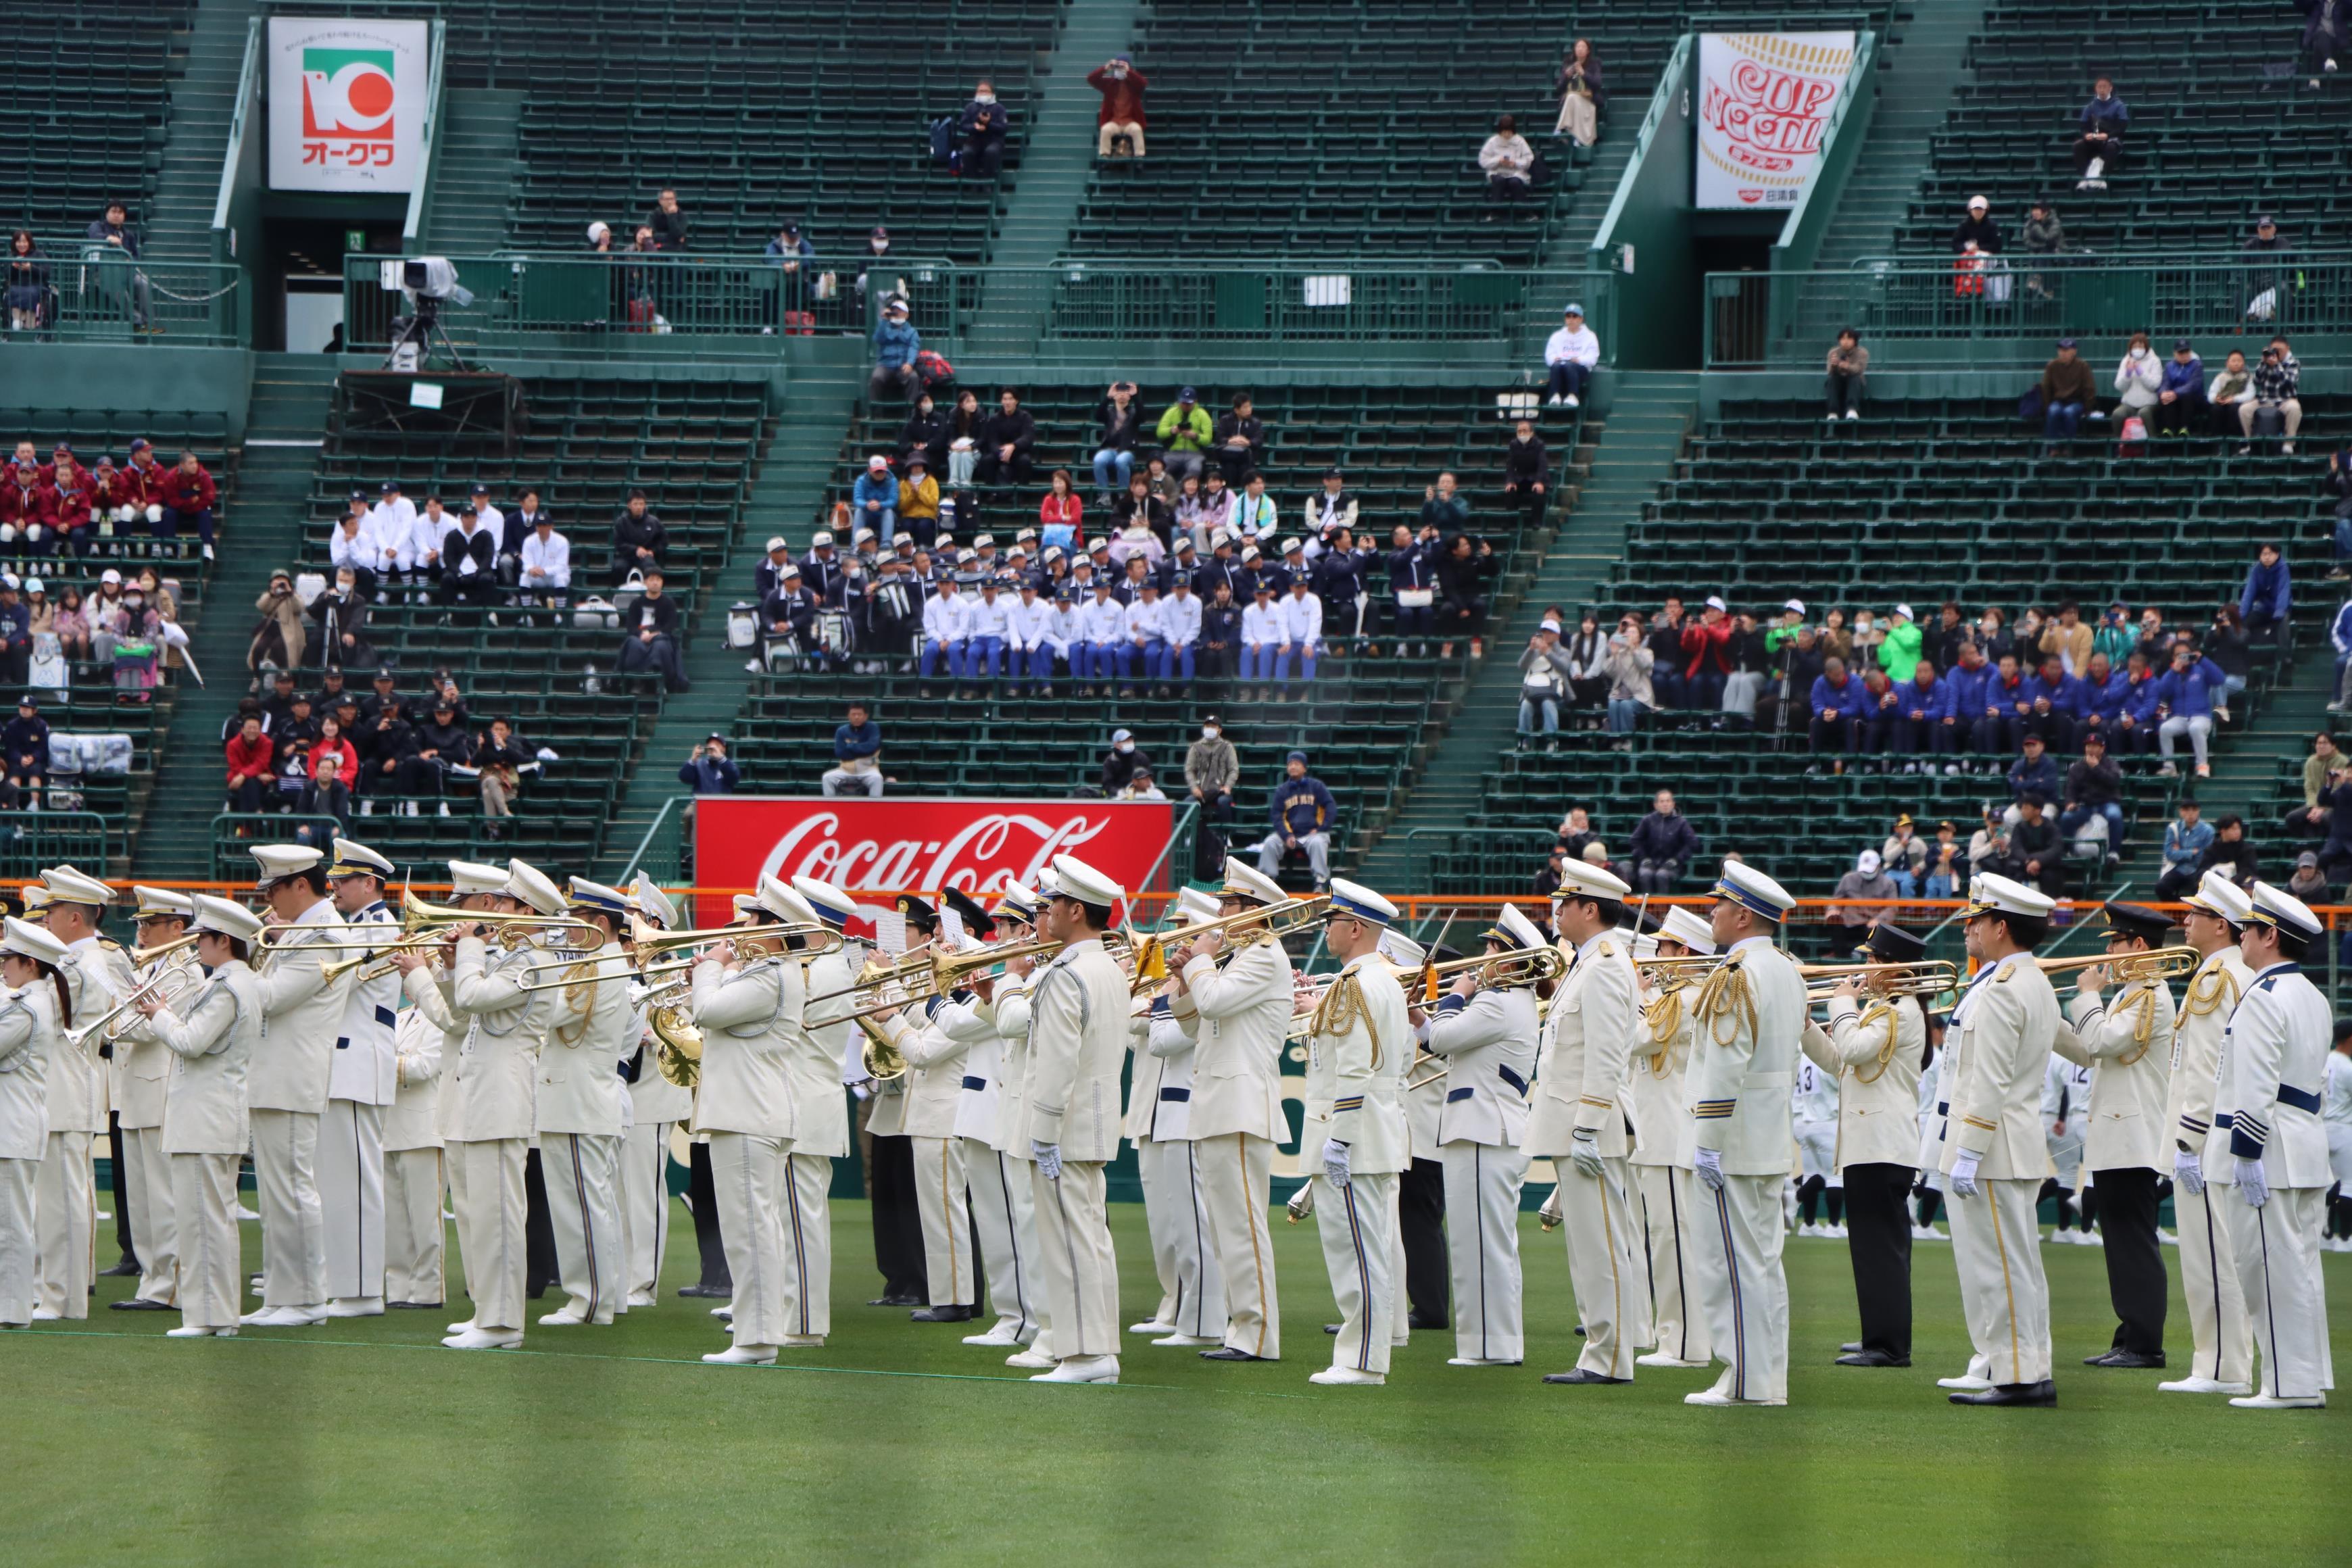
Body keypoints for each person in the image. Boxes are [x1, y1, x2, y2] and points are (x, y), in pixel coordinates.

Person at [1933, 873, 2061, 1407]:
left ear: (2001, 926)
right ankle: (2026, 1366)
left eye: (1979, 920)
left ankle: (2016, 1378)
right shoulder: (2023, 980)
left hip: (1995, 1146)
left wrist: (1968, 1149)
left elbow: (1990, 1078)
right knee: (2017, 1265)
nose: (1972, 927)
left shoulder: (2008, 988)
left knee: (2002, 1268)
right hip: (2010, 1142)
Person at [2202, 882, 2332, 1408]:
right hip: (2304, 1145)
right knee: (2300, 1270)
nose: (2242, 940)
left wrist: (2246, 1155)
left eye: (2249, 930)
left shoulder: (2264, 996)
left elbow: (2255, 1086)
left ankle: (2287, 1386)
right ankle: (2308, 1376)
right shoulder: (2314, 995)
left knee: (2268, 1272)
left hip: (2270, 1150)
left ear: (2269, 936)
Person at [1681, 860, 1805, 1406]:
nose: (1713, 911)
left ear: (1742, 915)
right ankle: (1766, 1377)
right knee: (1762, 1264)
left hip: (1732, 1141)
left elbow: (1726, 1064)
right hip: (1769, 1138)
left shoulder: (1736, 974)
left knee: (1727, 1263)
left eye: (1720, 904)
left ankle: (1746, 1380)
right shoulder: (1787, 969)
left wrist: (1707, 1143)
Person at [1167, 861, 1296, 1363]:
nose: (1219, 913)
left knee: (1242, 1228)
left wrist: (1199, 963)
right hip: (1221, 1103)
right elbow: (1196, 1027)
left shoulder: (1265, 956)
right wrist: (1184, 978)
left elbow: (1216, 1004)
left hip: (1241, 1104)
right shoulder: (1240, 959)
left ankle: (1258, 1334)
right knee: (1227, 1230)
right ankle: (1240, 1326)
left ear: (1255, 912)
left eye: (1231, 904)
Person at [1521, 862, 1644, 1386]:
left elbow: (1607, 1054)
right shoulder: (1584, 963)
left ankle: (1610, 1358)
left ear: (1589, 909)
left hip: (1586, 1125)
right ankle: (1600, 1350)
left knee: (1602, 1247)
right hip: (1572, 1123)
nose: (1557, 910)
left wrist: (1589, 1125)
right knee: (1589, 1248)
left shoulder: (1608, 965)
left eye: (1564, 903)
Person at [1290, 877, 1411, 1386]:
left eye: (1333, 922)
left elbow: (1356, 1068)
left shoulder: (1357, 983)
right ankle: (1363, 1356)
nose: (1327, 931)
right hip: (1375, 1132)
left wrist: (1339, 1138)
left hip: (1355, 1137)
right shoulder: (1381, 980)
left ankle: (1362, 1362)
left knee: (1358, 1255)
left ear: (1355, 927)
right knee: (1368, 1252)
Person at [1017, 856, 1133, 1383]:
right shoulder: (1107, 967)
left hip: (1065, 1127)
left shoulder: (1066, 973)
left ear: (1076, 910)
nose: (1047, 912)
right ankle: (1097, 1351)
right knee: (1089, 1240)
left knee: (1069, 1242)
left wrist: (1041, 1132)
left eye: (1054, 903)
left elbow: (1057, 1063)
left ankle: (1085, 1356)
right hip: (1095, 1123)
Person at [681, 878, 806, 1363]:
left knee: (750, 1231)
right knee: (754, 1230)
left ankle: (755, 1340)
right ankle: (756, 1334)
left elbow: (707, 1011)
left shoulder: (772, 974)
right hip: (753, 1111)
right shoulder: (768, 971)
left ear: (775, 929)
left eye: (753, 920)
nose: (741, 929)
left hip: (750, 1113)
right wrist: (711, 970)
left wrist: (711, 965)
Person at [2056, 902, 2180, 1370]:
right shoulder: (2131, 995)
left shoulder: (2151, 995)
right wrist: (2052, 1026)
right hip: (2116, 1138)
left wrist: (2087, 995)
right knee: (2121, 1245)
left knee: (2134, 1245)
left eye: (2116, 941)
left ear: (2139, 946)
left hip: (2133, 1139)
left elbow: (2103, 1041)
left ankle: (2145, 1345)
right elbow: (2094, 1054)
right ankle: (2131, 1334)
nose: (2108, 950)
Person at [1255, 750, 1336, 889]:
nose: (1293, 767)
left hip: (1312, 834)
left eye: (1297, 764)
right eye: (1290, 764)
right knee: (1270, 842)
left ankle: (1320, 881)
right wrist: (1286, 835)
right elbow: (1277, 816)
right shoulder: (1282, 790)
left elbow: (1331, 807)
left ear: (1304, 768)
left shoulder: (1316, 786)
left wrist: (1321, 828)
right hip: (1290, 835)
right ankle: (1268, 881)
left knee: (1318, 842)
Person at [2154, 641, 2226, 778]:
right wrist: (2173, 671)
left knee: (2196, 728)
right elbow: (2162, 691)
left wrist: (2202, 660)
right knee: (2165, 729)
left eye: (2185, 654)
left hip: (2201, 715)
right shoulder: (2172, 673)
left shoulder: (2200, 668)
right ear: (2173, 657)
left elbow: (2220, 680)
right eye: (2178, 655)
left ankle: (2202, 765)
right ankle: (2169, 766)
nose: (2182, 657)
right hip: (2180, 717)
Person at [616, 570, 687, 692]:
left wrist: (653, 634)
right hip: (640, 638)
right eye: (652, 579)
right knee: (633, 643)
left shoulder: (669, 603)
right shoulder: (636, 603)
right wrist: (641, 634)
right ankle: (637, 681)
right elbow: (631, 626)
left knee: (660, 646)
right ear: (645, 582)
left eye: (658, 580)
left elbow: (670, 626)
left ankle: (659, 682)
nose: (655, 583)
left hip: (661, 638)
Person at [2240, 337, 2303, 454]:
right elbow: (2257, 381)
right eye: (2275, 350)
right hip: (2264, 400)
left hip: (2285, 400)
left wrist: (2277, 366)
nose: (2277, 352)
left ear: (2287, 348)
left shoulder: (2294, 363)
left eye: (2280, 350)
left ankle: (2289, 444)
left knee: (2295, 408)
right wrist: (2263, 364)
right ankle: (2250, 443)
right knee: (2244, 409)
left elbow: (2289, 383)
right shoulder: (2265, 362)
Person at [155, 450, 218, 560]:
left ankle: (207, 546)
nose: (195, 466)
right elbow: (171, 500)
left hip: (197, 507)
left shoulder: (204, 476)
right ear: (182, 465)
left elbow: (209, 498)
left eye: (196, 463)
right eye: (191, 463)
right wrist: (189, 502)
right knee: (169, 513)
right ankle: (168, 545)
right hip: (179, 507)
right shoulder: (171, 477)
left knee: (205, 513)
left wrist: (192, 505)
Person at [2039, 339, 2095, 451]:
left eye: (2066, 350)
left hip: (2076, 402)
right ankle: (2053, 449)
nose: (2063, 353)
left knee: (2069, 413)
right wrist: (2047, 406)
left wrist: (2087, 408)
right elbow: (2045, 387)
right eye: (2060, 350)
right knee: (2053, 411)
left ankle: (2069, 448)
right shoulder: (2052, 366)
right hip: (2058, 401)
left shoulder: (2082, 366)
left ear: (2074, 351)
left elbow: (2089, 388)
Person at [2072, 77, 2128, 189]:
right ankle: (2085, 177)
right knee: (2078, 146)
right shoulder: (2090, 106)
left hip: (2111, 138)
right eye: (2099, 87)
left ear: (2110, 88)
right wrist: (2086, 135)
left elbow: (2122, 126)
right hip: (2094, 138)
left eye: (2105, 87)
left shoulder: (2119, 105)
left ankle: (2103, 178)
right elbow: (2083, 126)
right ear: (2095, 89)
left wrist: (2108, 135)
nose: (2102, 90)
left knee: (2111, 148)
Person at [975, 389, 1036, 488]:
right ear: (1002, 401)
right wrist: (1001, 453)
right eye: (1005, 399)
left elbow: (1028, 437)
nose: (1007, 402)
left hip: (1018, 452)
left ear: (1016, 401)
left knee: (1025, 461)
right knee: (987, 461)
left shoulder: (1026, 417)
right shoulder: (995, 419)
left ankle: (1022, 494)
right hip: (1000, 453)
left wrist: (1013, 446)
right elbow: (992, 441)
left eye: (1010, 399)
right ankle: (991, 492)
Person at [1088, 55, 1147, 157]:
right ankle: (1104, 156)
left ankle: (1140, 157)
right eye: (1118, 66)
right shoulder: (1110, 84)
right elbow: (1091, 79)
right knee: (1105, 130)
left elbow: (1143, 83)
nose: (1120, 69)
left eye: (1122, 66)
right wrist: (1106, 68)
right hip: (1114, 121)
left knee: (1137, 130)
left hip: (1130, 121)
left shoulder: (1134, 85)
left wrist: (1128, 71)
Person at [818, 702, 881, 797]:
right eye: (853, 714)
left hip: (868, 769)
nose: (856, 717)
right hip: (846, 769)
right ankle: (832, 807)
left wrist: (850, 746)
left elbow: (872, 747)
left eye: (859, 714)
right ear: (849, 716)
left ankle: (874, 809)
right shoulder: (842, 731)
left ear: (866, 716)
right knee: (827, 777)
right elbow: (840, 753)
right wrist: (862, 749)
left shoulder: (873, 728)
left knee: (877, 778)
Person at [1543, 304, 1599, 408]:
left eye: (1575, 316)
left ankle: (1573, 396)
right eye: (1568, 316)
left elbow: (1593, 358)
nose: (1571, 319)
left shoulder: (1590, 336)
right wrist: (1554, 359)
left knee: (1570, 366)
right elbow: (1549, 355)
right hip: (1561, 368)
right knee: (1555, 366)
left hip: (1580, 370)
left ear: (1581, 319)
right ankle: (1555, 396)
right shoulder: (1557, 336)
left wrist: (1579, 360)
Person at [1478, 114, 1536, 213]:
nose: (1506, 135)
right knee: (1499, 181)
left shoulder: (1520, 141)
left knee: (1515, 183)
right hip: (1497, 172)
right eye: (1504, 132)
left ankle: (1526, 212)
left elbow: (1529, 159)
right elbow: (1483, 161)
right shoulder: (1492, 142)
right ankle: (1494, 212)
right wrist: (1498, 161)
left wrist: (1516, 163)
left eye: (1509, 132)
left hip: (1516, 173)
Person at [956, 80, 1012, 181]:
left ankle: (987, 181)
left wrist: (988, 124)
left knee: (991, 151)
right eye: (980, 91)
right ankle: (972, 182)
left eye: (986, 91)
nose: (983, 93)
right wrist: (974, 127)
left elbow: (1004, 128)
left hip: (994, 140)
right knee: (967, 152)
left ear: (992, 93)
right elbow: (963, 126)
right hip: (974, 140)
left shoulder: (999, 108)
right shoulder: (970, 107)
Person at [1554, 38, 1603, 145]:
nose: (1580, 49)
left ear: (1588, 51)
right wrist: (1566, 77)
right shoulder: (1568, 63)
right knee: (1571, 97)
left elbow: (1598, 84)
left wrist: (1583, 73)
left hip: (1588, 100)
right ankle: (1577, 139)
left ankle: (1560, 130)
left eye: (1583, 47)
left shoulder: (1594, 64)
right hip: (1571, 101)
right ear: (1575, 49)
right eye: (1578, 47)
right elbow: (1559, 88)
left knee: (1572, 97)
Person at [868, 297, 920, 401]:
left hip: (903, 366)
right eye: (894, 310)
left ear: (907, 315)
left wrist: (909, 363)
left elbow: (914, 348)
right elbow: (878, 338)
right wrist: (884, 320)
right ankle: (876, 413)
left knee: (913, 378)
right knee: (876, 378)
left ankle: (912, 412)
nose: (896, 313)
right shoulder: (885, 327)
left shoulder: (912, 332)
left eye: (900, 311)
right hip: (886, 365)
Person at [2153, 339, 2207, 436]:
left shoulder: (2197, 365)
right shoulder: (2170, 366)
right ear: (2175, 353)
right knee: (2166, 397)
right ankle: (2169, 429)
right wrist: (2163, 393)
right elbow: (2165, 383)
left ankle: (2185, 428)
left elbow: (2193, 385)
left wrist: (2176, 393)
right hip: (2174, 399)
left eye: (2186, 352)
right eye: (2181, 352)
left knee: (2187, 396)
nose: (2184, 355)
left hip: (2193, 401)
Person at [1502, 419, 1548, 527]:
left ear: (1531, 433)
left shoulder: (1539, 444)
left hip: (1536, 478)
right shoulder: (1513, 444)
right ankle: (1511, 521)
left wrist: (1539, 481)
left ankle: (1536, 522)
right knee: (1510, 491)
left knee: (1538, 493)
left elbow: (1542, 465)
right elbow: (1510, 465)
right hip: (1521, 478)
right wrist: (1510, 481)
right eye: (1519, 431)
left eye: (1525, 431)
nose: (1522, 434)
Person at [1825, 329, 1867, 420]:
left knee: (1855, 378)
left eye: (1849, 338)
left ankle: (1852, 410)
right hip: (1839, 380)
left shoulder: (1862, 353)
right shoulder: (1833, 352)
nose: (1846, 342)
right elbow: (1829, 371)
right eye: (1843, 339)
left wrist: (1847, 366)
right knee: (1832, 379)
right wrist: (1834, 366)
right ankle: (1833, 412)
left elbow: (1859, 369)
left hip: (1855, 382)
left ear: (1855, 340)